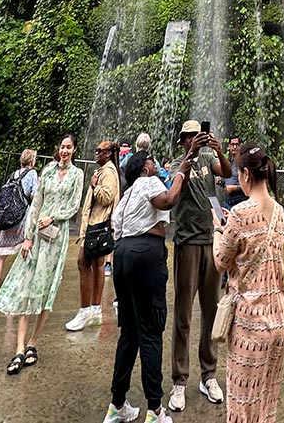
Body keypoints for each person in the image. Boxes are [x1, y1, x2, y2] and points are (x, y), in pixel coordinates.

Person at [102, 147, 193, 423]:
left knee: (129, 331)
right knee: (151, 330)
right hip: (146, 253)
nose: (156, 164)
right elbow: (168, 200)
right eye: (152, 161)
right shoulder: (148, 181)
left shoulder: (127, 195)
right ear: (144, 168)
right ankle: (155, 411)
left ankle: (117, 405)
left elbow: (116, 228)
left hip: (122, 254)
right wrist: (181, 173)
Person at [0, 133, 84, 375]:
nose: (64, 151)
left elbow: (75, 205)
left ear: (74, 150)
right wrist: (28, 236)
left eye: (68, 147)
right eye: (62, 146)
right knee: (27, 285)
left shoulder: (77, 174)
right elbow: (36, 203)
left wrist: (54, 217)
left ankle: (33, 342)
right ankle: (19, 347)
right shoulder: (48, 171)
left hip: (56, 236)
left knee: (46, 289)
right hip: (37, 236)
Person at [212, 144, 284, 423]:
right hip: (278, 322)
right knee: (266, 404)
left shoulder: (240, 213)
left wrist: (217, 231)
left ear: (244, 173)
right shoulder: (280, 212)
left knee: (242, 408)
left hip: (249, 327)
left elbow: (221, 260)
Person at [166, 121, 231, 412]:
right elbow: (173, 195)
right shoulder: (178, 165)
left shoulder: (209, 158)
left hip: (209, 241)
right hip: (186, 243)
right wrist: (190, 156)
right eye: (190, 136)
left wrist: (219, 150)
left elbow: (227, 173)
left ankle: (209, 375)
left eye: (198, 135)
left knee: (211, 311)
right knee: (183, 314)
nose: (195, 139)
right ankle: (179, 380)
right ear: (183, 140)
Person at [67, 139, 121, 331]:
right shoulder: (106, 170)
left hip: (98, 225)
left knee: (83, 263)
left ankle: (86, 310)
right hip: (97, 225)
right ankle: (95, 310)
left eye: (99, 150)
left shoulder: (108, 172)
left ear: (108, 153)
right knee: (96, 265)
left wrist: (93, 186)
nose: (96, 153)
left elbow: (107, 197)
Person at [0, 149, 39, 306]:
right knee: (24, 255)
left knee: (1, 257)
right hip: (21, 219)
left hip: (6, 218)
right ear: (32, 162)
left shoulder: (13, 174)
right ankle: (17, 292)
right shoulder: (32, 174)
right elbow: (34, 195)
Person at [220, 138, 247, 210]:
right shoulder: (227, 163)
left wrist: (234, 188)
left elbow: (248, 185)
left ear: (240, 146)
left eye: (237, 145)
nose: (234, 147)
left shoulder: (243, 164)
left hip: (240, 203)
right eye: (232, 144)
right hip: (227, 203)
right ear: (229, 146)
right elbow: (227, 181)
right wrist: (221, 181)